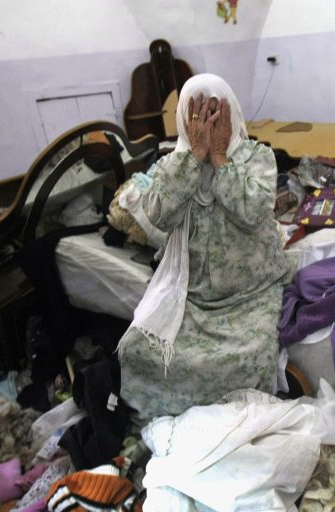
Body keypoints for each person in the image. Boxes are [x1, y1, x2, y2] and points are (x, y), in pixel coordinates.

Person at [117, 73, 290, 421]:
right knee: (136, 348)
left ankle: (232, 420)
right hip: (192, 297)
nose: (208, 125)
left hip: (250, 294)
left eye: (215, 114)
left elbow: (253, 214)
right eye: (199, 116)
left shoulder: (257, 158)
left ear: (231, 114)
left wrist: (220, 158)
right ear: (185, 120)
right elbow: (159, 215)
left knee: (254, 356)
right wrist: (195, 156)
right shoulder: (173, 165)